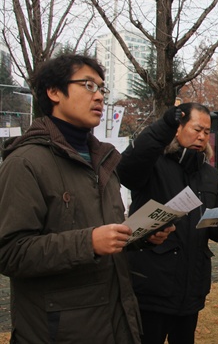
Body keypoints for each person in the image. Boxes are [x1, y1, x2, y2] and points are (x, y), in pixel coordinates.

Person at [0, 54, 169, 343]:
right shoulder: (25, 162)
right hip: (59, 329)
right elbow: (10, 252)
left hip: (117, 319)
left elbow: (104, 231)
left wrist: (140, 235)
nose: (100, 97)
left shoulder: (102, 160)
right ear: (54, 92)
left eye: (102, 89)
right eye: (88, 86)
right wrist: (88, 242)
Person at [117, 102, 218, 344]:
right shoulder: (154, 165)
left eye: (206, 131)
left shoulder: (210, 175)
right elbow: (127, 168)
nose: (202, 136)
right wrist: (161, 127)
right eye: (196, 129)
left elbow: (216, 228)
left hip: (192, 285)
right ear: (177, 129)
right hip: (152, 284)